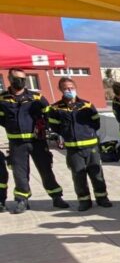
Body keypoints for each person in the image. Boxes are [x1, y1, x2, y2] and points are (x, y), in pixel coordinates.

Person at [0, 68, 69, 214]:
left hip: (37, 141)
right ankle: (22, 200)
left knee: (46, 169)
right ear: (10, 79)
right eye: (17, 79)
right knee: (19, 173)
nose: (21, 82)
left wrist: (45, 128)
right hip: (17, 144)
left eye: (23, 79)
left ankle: (56, 197)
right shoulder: (2, 99)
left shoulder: (36, 97)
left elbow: (48, 114)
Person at [47, 77, 112, 211]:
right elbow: (54, 126)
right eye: (66, 88)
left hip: (91, 146)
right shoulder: (55, 108)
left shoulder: (87, 105)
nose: (69, 90)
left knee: (96, 173)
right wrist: (67, 134)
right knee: (78, 175)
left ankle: (102, 198)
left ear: (75, 88)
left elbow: (96, 123)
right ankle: (84, 201)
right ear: (60, 90)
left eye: (71, 87)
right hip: (73, 149)